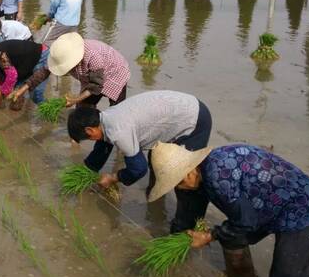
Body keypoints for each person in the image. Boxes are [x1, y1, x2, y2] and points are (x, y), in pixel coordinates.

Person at [149, 142, 309, 277]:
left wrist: (209, 236)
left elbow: (246, 222)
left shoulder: (217, 176)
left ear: (188, 172)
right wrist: (175, 241)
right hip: (265, 205)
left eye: (178, 182)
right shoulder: (202, 172)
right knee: (231, 237)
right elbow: (189, 213)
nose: (179, 188)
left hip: (300, 206)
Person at [67, 91, 212, 227]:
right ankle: (156, 199)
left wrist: (113, 177)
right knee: (159, 161)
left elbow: (138, 169)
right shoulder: (106, 118)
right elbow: (102, 146)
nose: (92, 140)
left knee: (184, 178)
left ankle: (186, 227)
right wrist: (85, 172)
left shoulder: (119, 131)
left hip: (194, 120)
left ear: (90, 130)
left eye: (89, 138)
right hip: (177, 111)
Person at [12, 32, 129, 109]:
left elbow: (96, 86)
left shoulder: (93, 57)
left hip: (115, 73)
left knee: (116, 110)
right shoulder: (62, 54)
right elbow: (43, 73)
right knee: (82, 109)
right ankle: (77, 139)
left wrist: (74, 100)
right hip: (92, 78)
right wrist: (22, 90)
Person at [0, 39, 50, 110]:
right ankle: (17, 103)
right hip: (24, 63)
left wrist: (1, 91)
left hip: (40, 56)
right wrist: (0, 94)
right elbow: (2, 76)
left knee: (36, 95)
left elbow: (12, 76)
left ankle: (48, 110)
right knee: (14, 87)